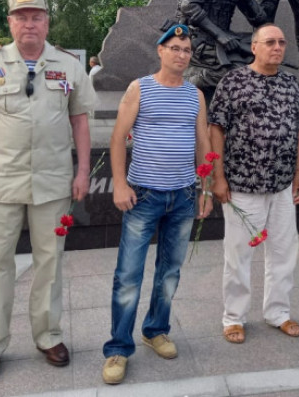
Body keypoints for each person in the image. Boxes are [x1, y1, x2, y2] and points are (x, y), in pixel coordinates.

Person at [0, 0, 97, 383]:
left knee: (50, 262)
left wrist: (83, 172)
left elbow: (80, 122)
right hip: (0, 182)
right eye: (21, 17)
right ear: (10, 23)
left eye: (36, 17)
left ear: (47, 22)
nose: (29, 24)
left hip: (52, 182)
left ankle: (48, 336)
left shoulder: (68, 65)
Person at [101, 23, 211, 385]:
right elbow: (118, 138)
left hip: (183, 196)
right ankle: (119, 347)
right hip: (144, 196)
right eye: (175, 48)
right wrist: (119, 183)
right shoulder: (140, 88)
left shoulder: (195, 95)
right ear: (160, 51)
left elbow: (203, 144)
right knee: (128, 275)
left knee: (169, 272)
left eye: (186, 50)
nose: (181, 55)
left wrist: (206, 189)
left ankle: (156, 330)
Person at [208, 23, 299, 344]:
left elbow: (298, 130)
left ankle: (278, 312)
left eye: (281, 42)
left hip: (281, 184)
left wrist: (298, 173)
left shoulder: (291, 84)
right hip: (242, 185)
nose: (277, 47)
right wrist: (218, 177)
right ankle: (234, 317)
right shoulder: (233, 82)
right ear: (254, 47)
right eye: (270, 42)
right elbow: (216, 129)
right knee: (239, 255)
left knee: (283, 251)